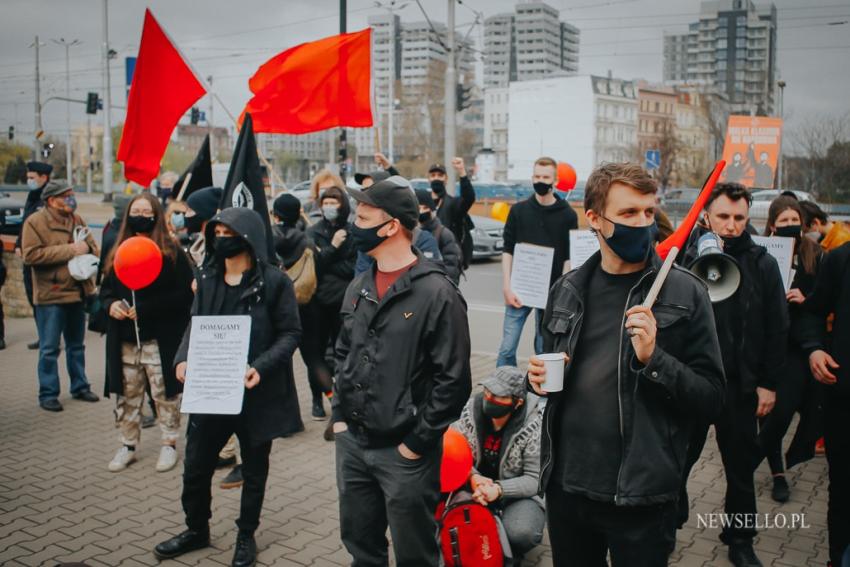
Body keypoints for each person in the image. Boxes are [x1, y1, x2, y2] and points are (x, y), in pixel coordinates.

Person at [526, 162, 725, 567]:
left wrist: (655, 359)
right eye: (629, 214)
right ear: (595, 219)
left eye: (649, 213)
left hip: (642, 497)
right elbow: (552, 378)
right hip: (567, 489)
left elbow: (712, 399)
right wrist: (537, 381)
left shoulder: (685, 294)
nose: (643, 224)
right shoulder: (566, 291)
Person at [332, 176, 472, 566]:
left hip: (404, 455)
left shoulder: (437, 293)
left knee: (415, 555)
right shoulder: (359, 285)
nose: (353, 225)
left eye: (362, 217)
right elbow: (343, 351)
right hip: (353, 445)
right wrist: (340, 417)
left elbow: (454, 381)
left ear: (391, 225)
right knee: (362, 548)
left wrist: (416, 442)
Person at [154, 207, 303, 567]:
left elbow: (291, 333)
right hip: (212, 389)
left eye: (228, 232)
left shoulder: (274, 282)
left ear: (248, 237)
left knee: (254, 470)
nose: (221, 238)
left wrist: (261, 368)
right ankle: (196, 529)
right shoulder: (206, 278)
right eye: (216, 232)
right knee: (196, 466)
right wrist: (183, 358)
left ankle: (245, 534)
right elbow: (196, 323)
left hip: (256, 394)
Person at [678, 182, 789, 567]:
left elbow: (778, 327)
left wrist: (768, 383)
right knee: (676, 461)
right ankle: (665, 522)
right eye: (723, 216)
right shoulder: (683, 258)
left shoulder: (762, 263)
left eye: (739, 218)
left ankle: (740, 538)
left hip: (740, 386)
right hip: (694, 382)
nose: (731, 225)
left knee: (740, 470)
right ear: (706, 214)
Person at [100, 193, 194, 472]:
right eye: (135, 210)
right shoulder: (116, 250)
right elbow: (104, 292)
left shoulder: (171, 251)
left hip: (158, 338)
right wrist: (111, 305)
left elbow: (184, 296)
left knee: (164, 393)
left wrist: (149, 307)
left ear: (155, 215)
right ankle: (127, 444)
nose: (141, 215)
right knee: (128, 395)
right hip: (125, 341)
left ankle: (169, 443)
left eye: (146, 210)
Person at [755, 196, 824, 502]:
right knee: (765, 413)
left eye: (793, 220)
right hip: (766, 342)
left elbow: (824, 299)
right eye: (782, 221)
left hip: (797, 344)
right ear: (772, 225)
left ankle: (744, 464)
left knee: (782, 413)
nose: (789, 225)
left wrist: (805, 299)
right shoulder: (763, 253)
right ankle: (777, 472)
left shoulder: (815, 254)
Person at [21, 180, 100, 412]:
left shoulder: (77, 220)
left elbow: (93, 248)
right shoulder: (35, 223)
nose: (70, 200)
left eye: (71, 195)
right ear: (51, 200)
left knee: (77, 345)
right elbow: (31, 256)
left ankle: (80, 386)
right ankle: (48, 393)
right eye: (66, 196)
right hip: (51, 295)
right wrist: (70, 250)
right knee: (49, 348)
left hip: (77, 292)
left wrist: (88, 250)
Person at [452, 367, 545, 561]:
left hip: (515, 495)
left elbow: (535, 480)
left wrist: (499, 489)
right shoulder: (470, 410)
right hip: (473, 486)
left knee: (522, 532)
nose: (489, 398)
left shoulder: (535, 422)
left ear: (517, 402)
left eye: (498, 396)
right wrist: (473, 476)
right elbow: (451, 453)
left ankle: (508, 549)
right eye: (487, 391)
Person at [797, 241, 850, 567]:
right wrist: (815, 348)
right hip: (844, 404)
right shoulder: (841, 258)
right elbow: (812, 312)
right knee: (843, 492)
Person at [498, 157, 578, 367]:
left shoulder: (567, 214)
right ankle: (502, 392)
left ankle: (542, 394)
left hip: (550, 294)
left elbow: (569, 257)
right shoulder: (518, 211)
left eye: (545, 177)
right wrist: (507, 286)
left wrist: (561, 293)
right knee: (507, 347)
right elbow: (507, 250)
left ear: (555, 180)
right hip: (519, 289)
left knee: (544, 348)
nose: (540, 180)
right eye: (537, 176)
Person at [304, 186, 357, 423]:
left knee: (342, 351)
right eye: (325, 202)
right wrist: (334, 248)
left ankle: (342, 400)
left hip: (343, 302)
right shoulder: (314, 231)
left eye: (334, 202)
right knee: (314, 353)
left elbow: (352, 267)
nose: (329, 206)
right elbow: (313, 265)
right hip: (318, 303)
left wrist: (326, 258)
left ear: (343, 205)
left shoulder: (353, 231)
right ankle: (317, 399)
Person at [16, 161, 53, 350]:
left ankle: (49, 337)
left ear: (43, 177)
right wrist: (18, 244)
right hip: (28, 256)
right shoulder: (33, 196)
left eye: (32, 178)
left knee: (42, 298)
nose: (28, 181)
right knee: (32, 296)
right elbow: (25, 225)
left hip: (41, 257)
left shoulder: (48, 199)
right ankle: (43, 335)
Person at [427, 159, 476, 268]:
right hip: (426, 258)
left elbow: (468, 198)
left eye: (440, 175)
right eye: (433, 175)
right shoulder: (423, 204)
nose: (436, 178)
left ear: (446, 179)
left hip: (447, 261)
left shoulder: (453, 204)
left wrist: (462, 172)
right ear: (428, 179)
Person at [415, 189, 462, 284]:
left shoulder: (444, 234)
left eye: (425, 208)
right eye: (418, 208)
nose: (421, 211)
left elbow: (451, 268)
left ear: (431, 209)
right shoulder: (410, 233)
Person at [183, 186, 223, 267]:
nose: (186, 215)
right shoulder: (196, 242)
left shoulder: (218, 246)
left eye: (190, 210)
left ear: (204, 213)